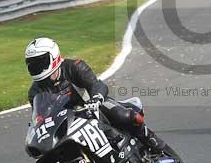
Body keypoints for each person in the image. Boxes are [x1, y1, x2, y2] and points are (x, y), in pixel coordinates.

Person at [24, 37, 165, 151]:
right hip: (69, 123)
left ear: (53, 57)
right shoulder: (34, 92)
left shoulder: (74, 67)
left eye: (40, 62)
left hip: (94, 108)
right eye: (32, 65)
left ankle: (149, 137)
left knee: (124, 116)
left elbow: (96, 85)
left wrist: (96, 98)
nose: (36, 68)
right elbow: (40, 117)